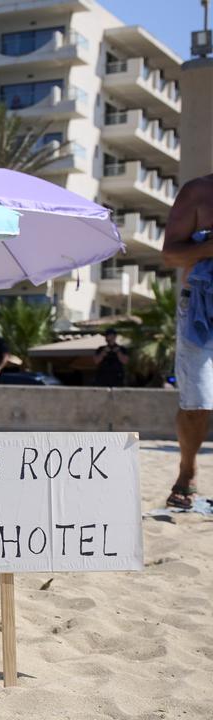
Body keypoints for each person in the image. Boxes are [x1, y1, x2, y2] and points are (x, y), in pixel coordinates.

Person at [161, 174, 213, 509]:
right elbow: (170, 254)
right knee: (198, 401)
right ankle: (187, 471)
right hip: (200, 305)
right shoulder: (199, 191)